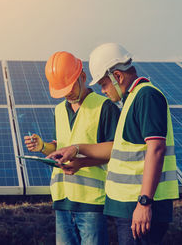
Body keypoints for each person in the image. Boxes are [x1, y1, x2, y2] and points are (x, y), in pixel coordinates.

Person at [48, 43, 179, 245]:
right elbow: (118, 149)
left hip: (139, 207)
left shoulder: (146, 96)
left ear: (117, 76)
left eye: (104, 84)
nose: (103, 90)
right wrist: (75, 149)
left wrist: (144, 203)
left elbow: (156, 149)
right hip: (128, 208)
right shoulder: (132, 100)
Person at [24, 51, 120, 245]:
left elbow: (114, 151)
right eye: (62, 90)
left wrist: (81, 163)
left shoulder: (106, 107)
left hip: (91, 202)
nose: (67, 93)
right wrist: (43, 147)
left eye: (69, 88)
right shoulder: (59, 110)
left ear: (82, 77)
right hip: (62, 200)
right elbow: (60, 146)